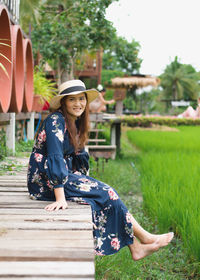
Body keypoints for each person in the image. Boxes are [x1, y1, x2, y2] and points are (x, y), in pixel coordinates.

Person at [27, 79, 174, 260]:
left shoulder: (74, 121)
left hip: (62, 175)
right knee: (106, 193)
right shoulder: (56, 120)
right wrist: (60, 198)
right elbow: (55, 157)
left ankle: (137, 247)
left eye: (81, 99)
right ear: (64, 102)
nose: (78, 104)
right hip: (44, 180)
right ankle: (144, 239)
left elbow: (76, 156)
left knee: (103, 193)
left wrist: (83, 178)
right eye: (72, 100)